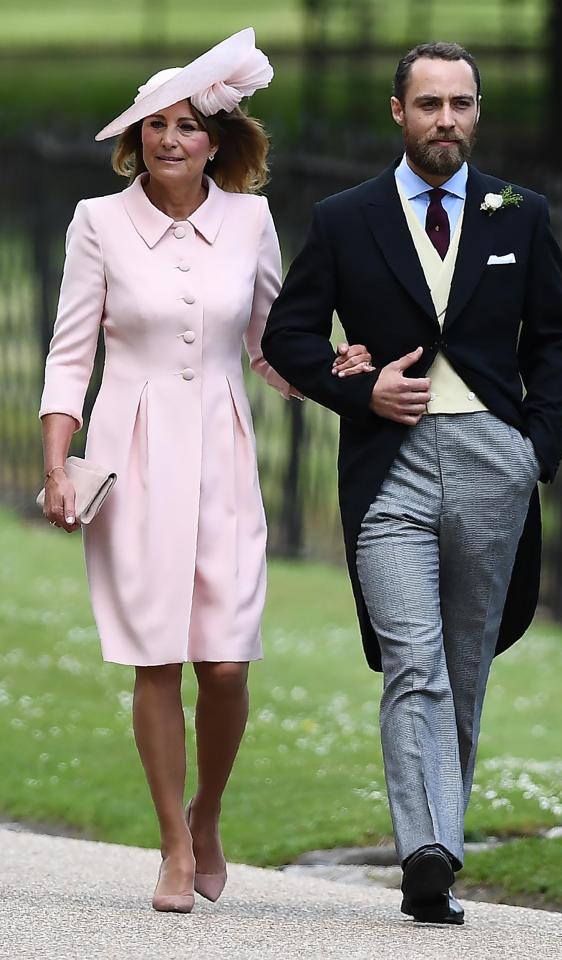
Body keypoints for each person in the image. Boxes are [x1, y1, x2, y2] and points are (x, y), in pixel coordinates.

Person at [39, 28, 371, 914]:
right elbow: (70, 355)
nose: (170, 139)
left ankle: (209, 811)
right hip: (132, 452)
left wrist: (327, 368)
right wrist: (57, 466)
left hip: (223, 453)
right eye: (155, 125)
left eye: (187, 125)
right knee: (157, 658)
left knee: (225, 663)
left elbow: (269, 346)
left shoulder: (252, 222)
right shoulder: (96, 223)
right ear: (136, 138)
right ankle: (174, 847)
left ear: (215, 139)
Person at [262, 41, 562, 925]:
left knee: (464, 665)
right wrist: (355, 387)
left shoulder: (519, 212)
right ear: (396, 113)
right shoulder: (343, 217)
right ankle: (427, 855)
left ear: (477, 114)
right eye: (430, 104)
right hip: (387, 469)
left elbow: (555, 340)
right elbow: (288, 338)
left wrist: (535, 450)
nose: (448, 120)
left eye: (462, 104)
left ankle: (442, 835)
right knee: (412, 657)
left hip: (493, 460)